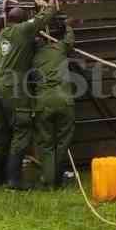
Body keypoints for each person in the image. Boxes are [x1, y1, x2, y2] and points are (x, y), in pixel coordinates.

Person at [0, 0, 58, 190]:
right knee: (22, 131)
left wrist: (6, 5)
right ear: (22, 21)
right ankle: (13, 180)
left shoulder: (4, 33)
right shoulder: (23, 30)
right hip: (14, 87)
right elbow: (45, 18)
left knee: (3, 131)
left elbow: (10, 18)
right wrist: (51, 0)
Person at [32, 16, 75, 188]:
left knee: (47, 143)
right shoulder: (59, 48)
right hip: (64, 101)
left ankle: (49, 181)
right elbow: (70, 39)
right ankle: (58, 178)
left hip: (43, 102)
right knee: (63, 142)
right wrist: (68, 25)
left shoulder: (32, 58)